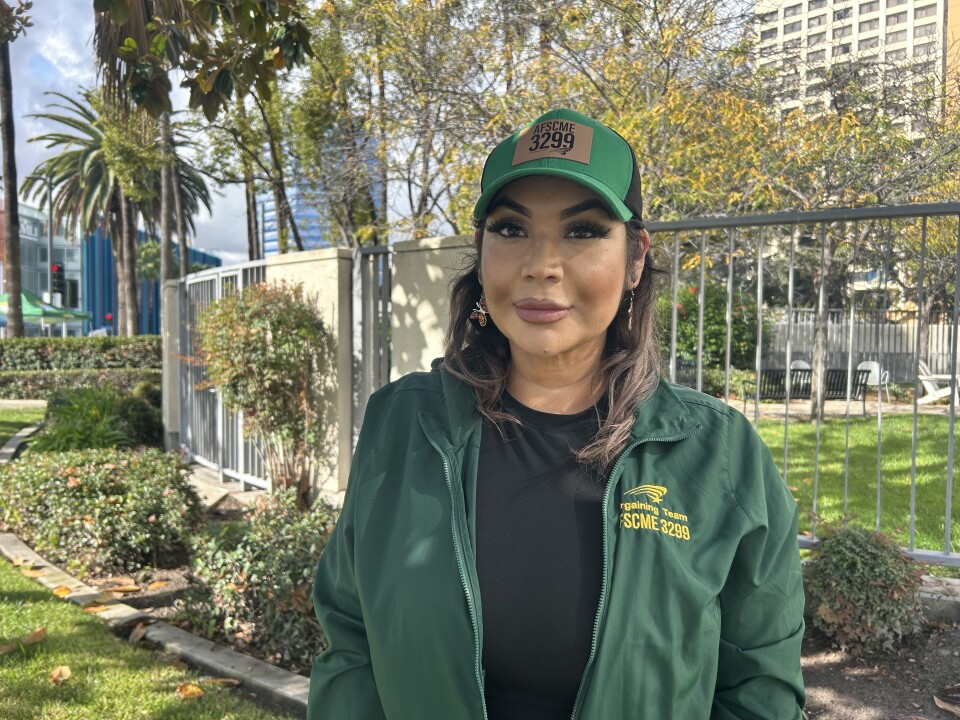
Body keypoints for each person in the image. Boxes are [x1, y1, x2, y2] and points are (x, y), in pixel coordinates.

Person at [307, 108, 806, 719]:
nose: (541, 264)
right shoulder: (402, 422)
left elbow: (759, 688)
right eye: (512, 229)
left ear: (636, 258)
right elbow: (351, 641)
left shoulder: (719, 453)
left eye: (584, 231)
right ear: (482, 252)